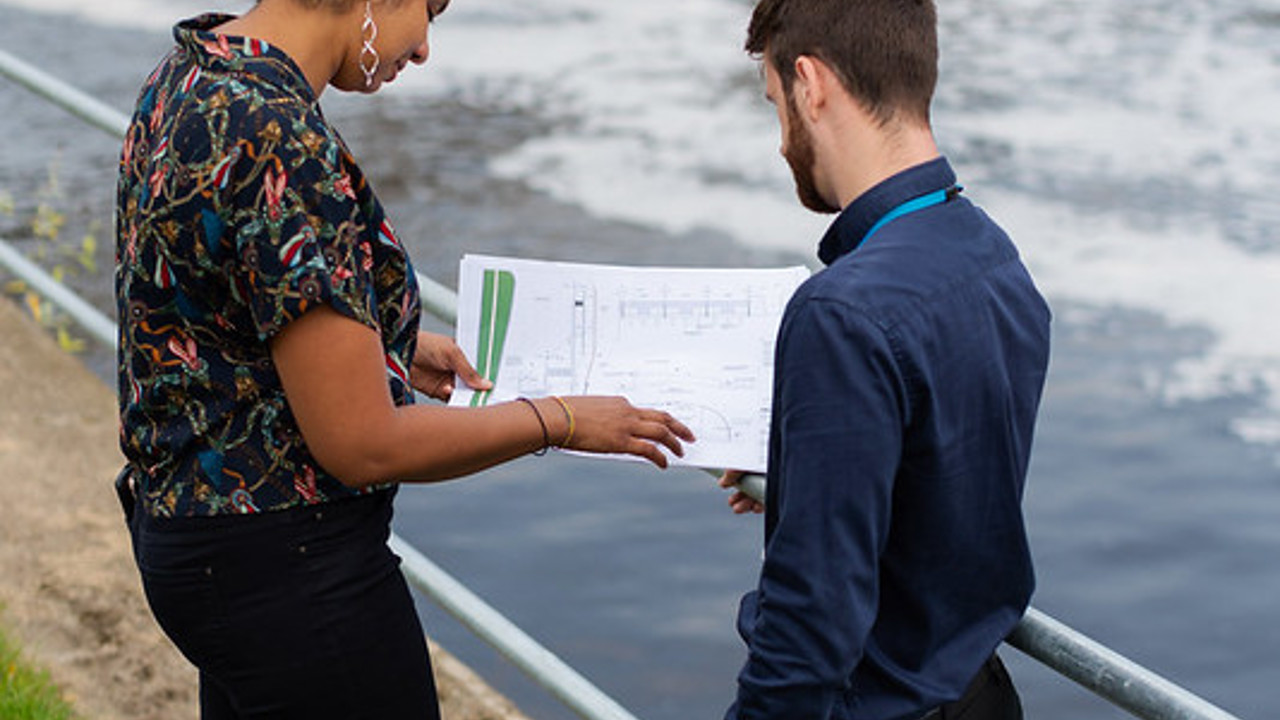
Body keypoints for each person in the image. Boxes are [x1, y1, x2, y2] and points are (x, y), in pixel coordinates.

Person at [113, 1, 694, 718]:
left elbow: (200, 305)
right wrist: (560, 419)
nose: (422, 48)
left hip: (193, 540)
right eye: (429, 9)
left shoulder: (189, 73)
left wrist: (380, 342)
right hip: (290, 568)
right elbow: (364, 445)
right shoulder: (282, 138)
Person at [717, 1, 1052, 718]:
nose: (781, 143)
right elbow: (947, 485)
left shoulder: (839, 313)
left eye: (776, 106)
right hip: (981, 694)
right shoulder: (996, 260)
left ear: (811, 84)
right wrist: (808, 472)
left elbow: (810, 632)